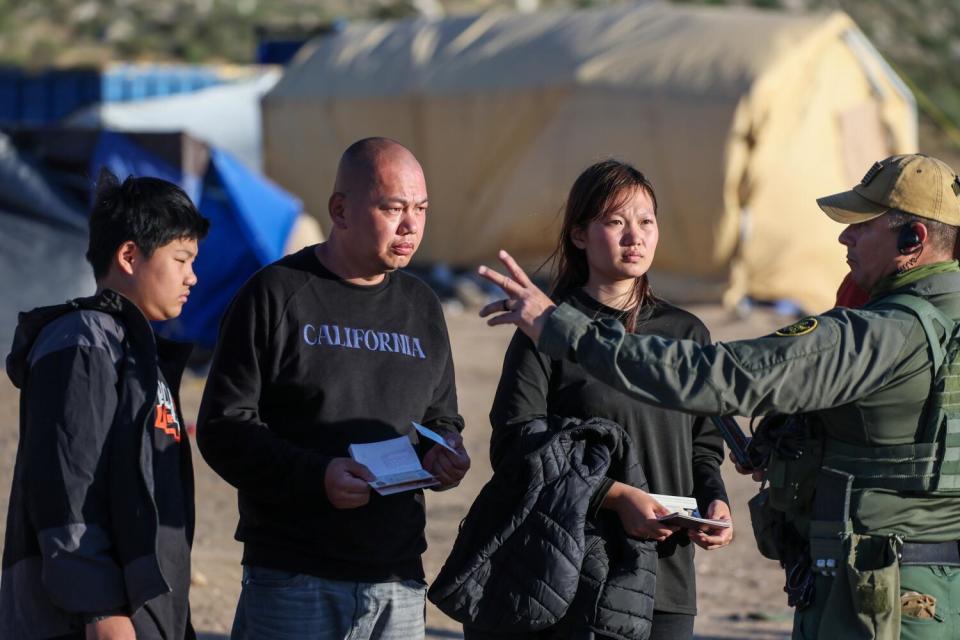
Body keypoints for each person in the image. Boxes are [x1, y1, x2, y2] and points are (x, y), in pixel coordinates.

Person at [477, 153, 960, 639]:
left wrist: (569, 333)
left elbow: (722, 377)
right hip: (939, 593)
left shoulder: (880, 333)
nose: (844, 236)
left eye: (860, 225)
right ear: (580, 234)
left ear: (912, 239)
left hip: (883, 602)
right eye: (616, 221)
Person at [196, 137, 471, 640]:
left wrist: (443, 453)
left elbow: (440, 417)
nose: (411, 225)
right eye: (393, 208)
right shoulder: (275, 293)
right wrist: (315, 476)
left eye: (421, 209)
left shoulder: (422, 306)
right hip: (293, 580)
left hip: (398, 582)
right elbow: (222, 428)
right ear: (340, 210)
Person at [477, 160, 731, 639]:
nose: (634, 236)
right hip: (577, 573)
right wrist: (614, 498)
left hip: (668, 579)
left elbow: (703, 444)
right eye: (616, 222)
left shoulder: (686, 333)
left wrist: (714, 503)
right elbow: (514, 445)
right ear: (579, 235)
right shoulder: (547, 329)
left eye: (646, 221)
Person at [0, 169, 209, 639]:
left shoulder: (138, 351)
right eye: (181, 259)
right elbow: (68, 485)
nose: (193, 277)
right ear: (129, 255)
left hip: (145, 614)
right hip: (89, 622)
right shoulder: (83, 342)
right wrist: (100, 610)